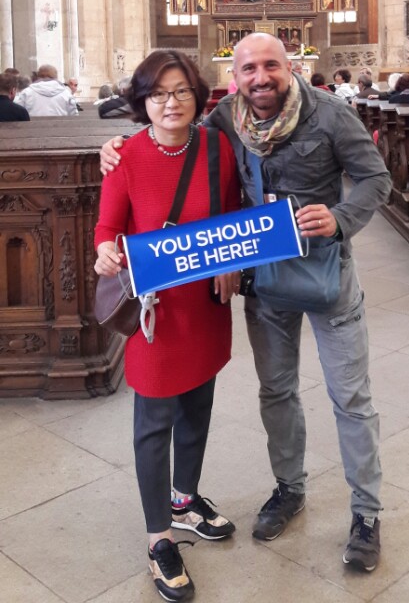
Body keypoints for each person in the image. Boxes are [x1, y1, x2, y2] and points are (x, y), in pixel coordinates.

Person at [100, 34, 392, 574]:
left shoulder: (331, 114)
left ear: (290, 66)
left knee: (351, 398)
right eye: (249, 68)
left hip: (328, 276)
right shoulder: (224, 120)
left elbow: (377, 178)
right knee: (277, 391)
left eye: (271, 65)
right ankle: (289, 489)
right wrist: (116, 145)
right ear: (233, 77)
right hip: (267, 283)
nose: (261, 77)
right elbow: (167, 133)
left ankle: (366, 514)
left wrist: (341, 218)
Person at [94, 49, 241, 602]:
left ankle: (184, 499)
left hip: (204, 304)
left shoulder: (217, 148)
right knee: (154, 421)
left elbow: (232, 217)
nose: (170, 102)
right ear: (143, 101)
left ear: (197, 96)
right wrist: (106, 252)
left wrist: (232, 263)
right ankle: (159, 537)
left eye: (180, 91)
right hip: (157, 312)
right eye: (158, 94)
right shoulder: (125, 155)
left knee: (198, 405)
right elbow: (107, 228)